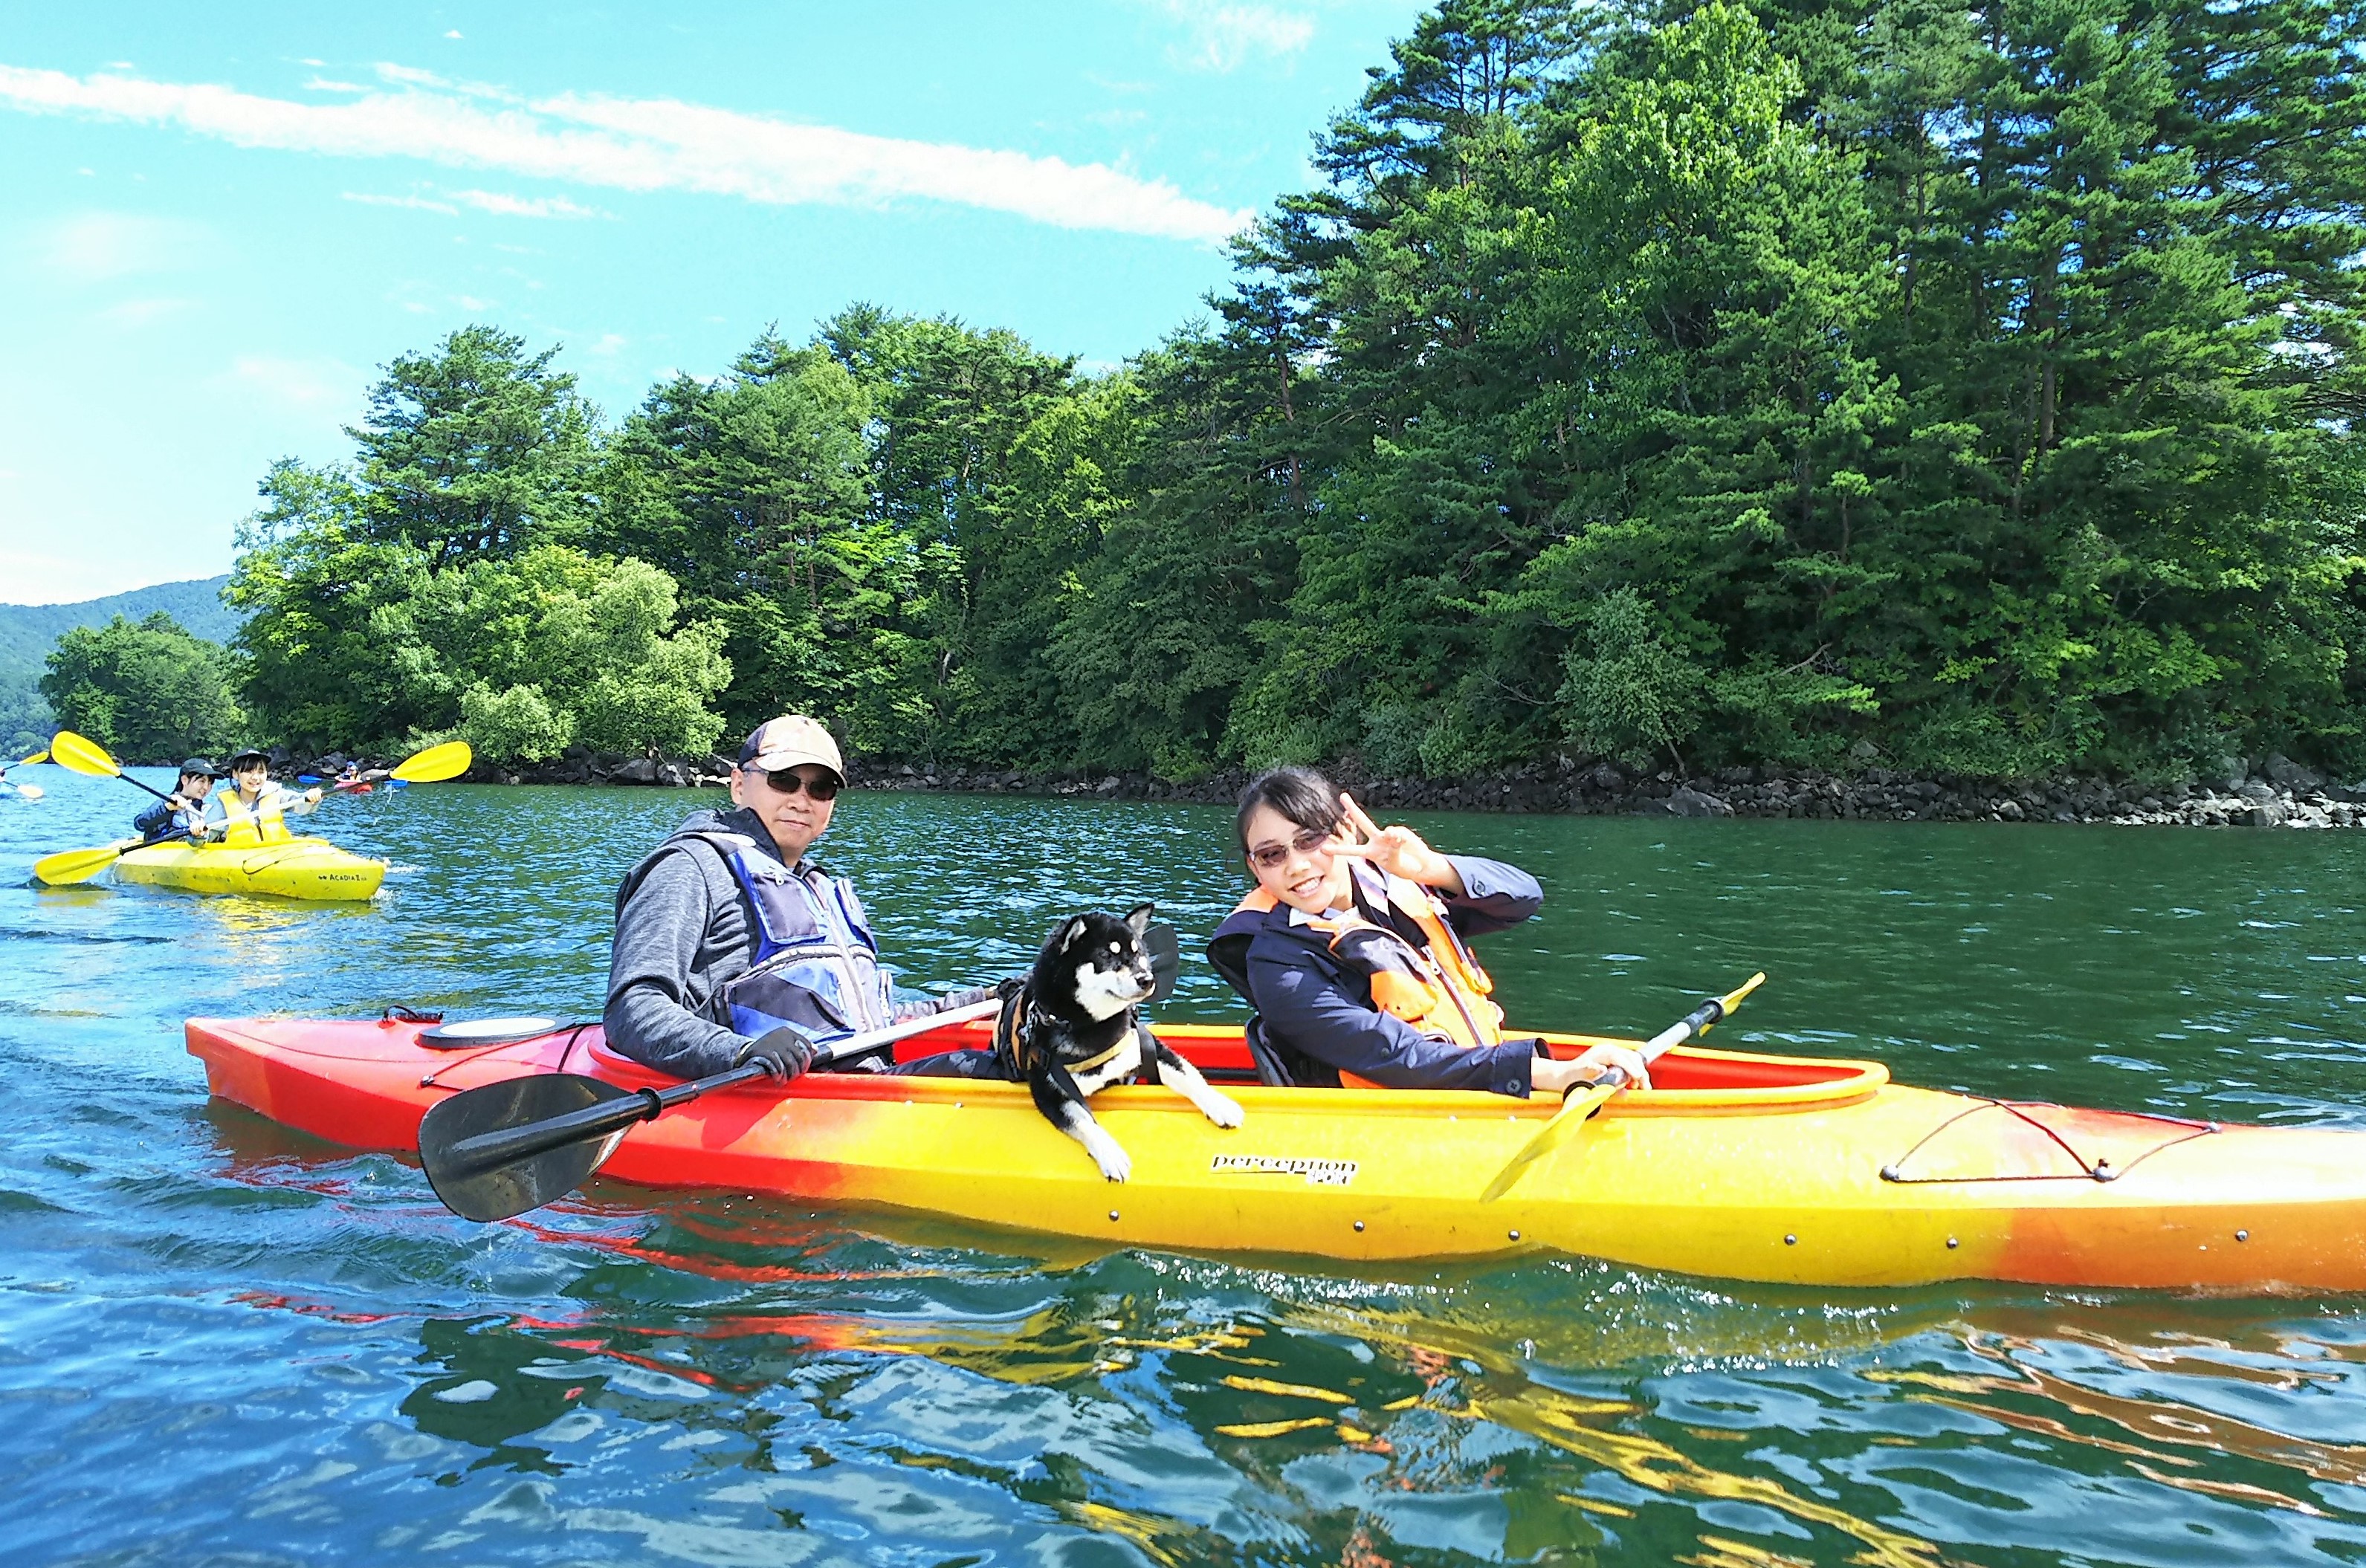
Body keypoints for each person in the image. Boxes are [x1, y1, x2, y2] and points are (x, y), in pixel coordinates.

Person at [1207, 766, 1649, 1098]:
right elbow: (1397, 1056)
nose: (1297, 865)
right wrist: (1552, 1074)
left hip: (1476, 1082)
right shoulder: (1276, 964)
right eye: (1271, 854)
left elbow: (1524, 897)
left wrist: (1430, 867)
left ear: (1342, 831)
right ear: (1254, 866)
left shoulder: (1399, 891)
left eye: (1309, 840)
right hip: (1393, 1128)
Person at [606, 714, 993, 1084]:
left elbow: (875, 1020)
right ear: (739, 784)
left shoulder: (818, 887)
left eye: (820, 789)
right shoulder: (689, 868)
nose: (802, 800)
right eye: (784, 781)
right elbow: (632, 1009)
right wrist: (739, 1052)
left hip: (859, 1086)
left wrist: (990, 997)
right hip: (774, 1096)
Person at [200, 749, 323, 844]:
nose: (255, 778)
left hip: (276, 853)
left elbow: (302, 805)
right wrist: (198, 833)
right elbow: (204, 835)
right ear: (236, 774)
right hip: (241, 860)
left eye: (261, 772)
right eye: (249, 772)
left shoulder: (276, 794)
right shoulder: (224, 805)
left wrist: (311, 798)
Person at [134, 758, 222, 841]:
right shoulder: (165, 804)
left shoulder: (207, 810)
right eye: (202, 781)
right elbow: (139, 824)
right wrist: (168, 809)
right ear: (185, 780)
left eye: (210, 783)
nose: (206, 787)